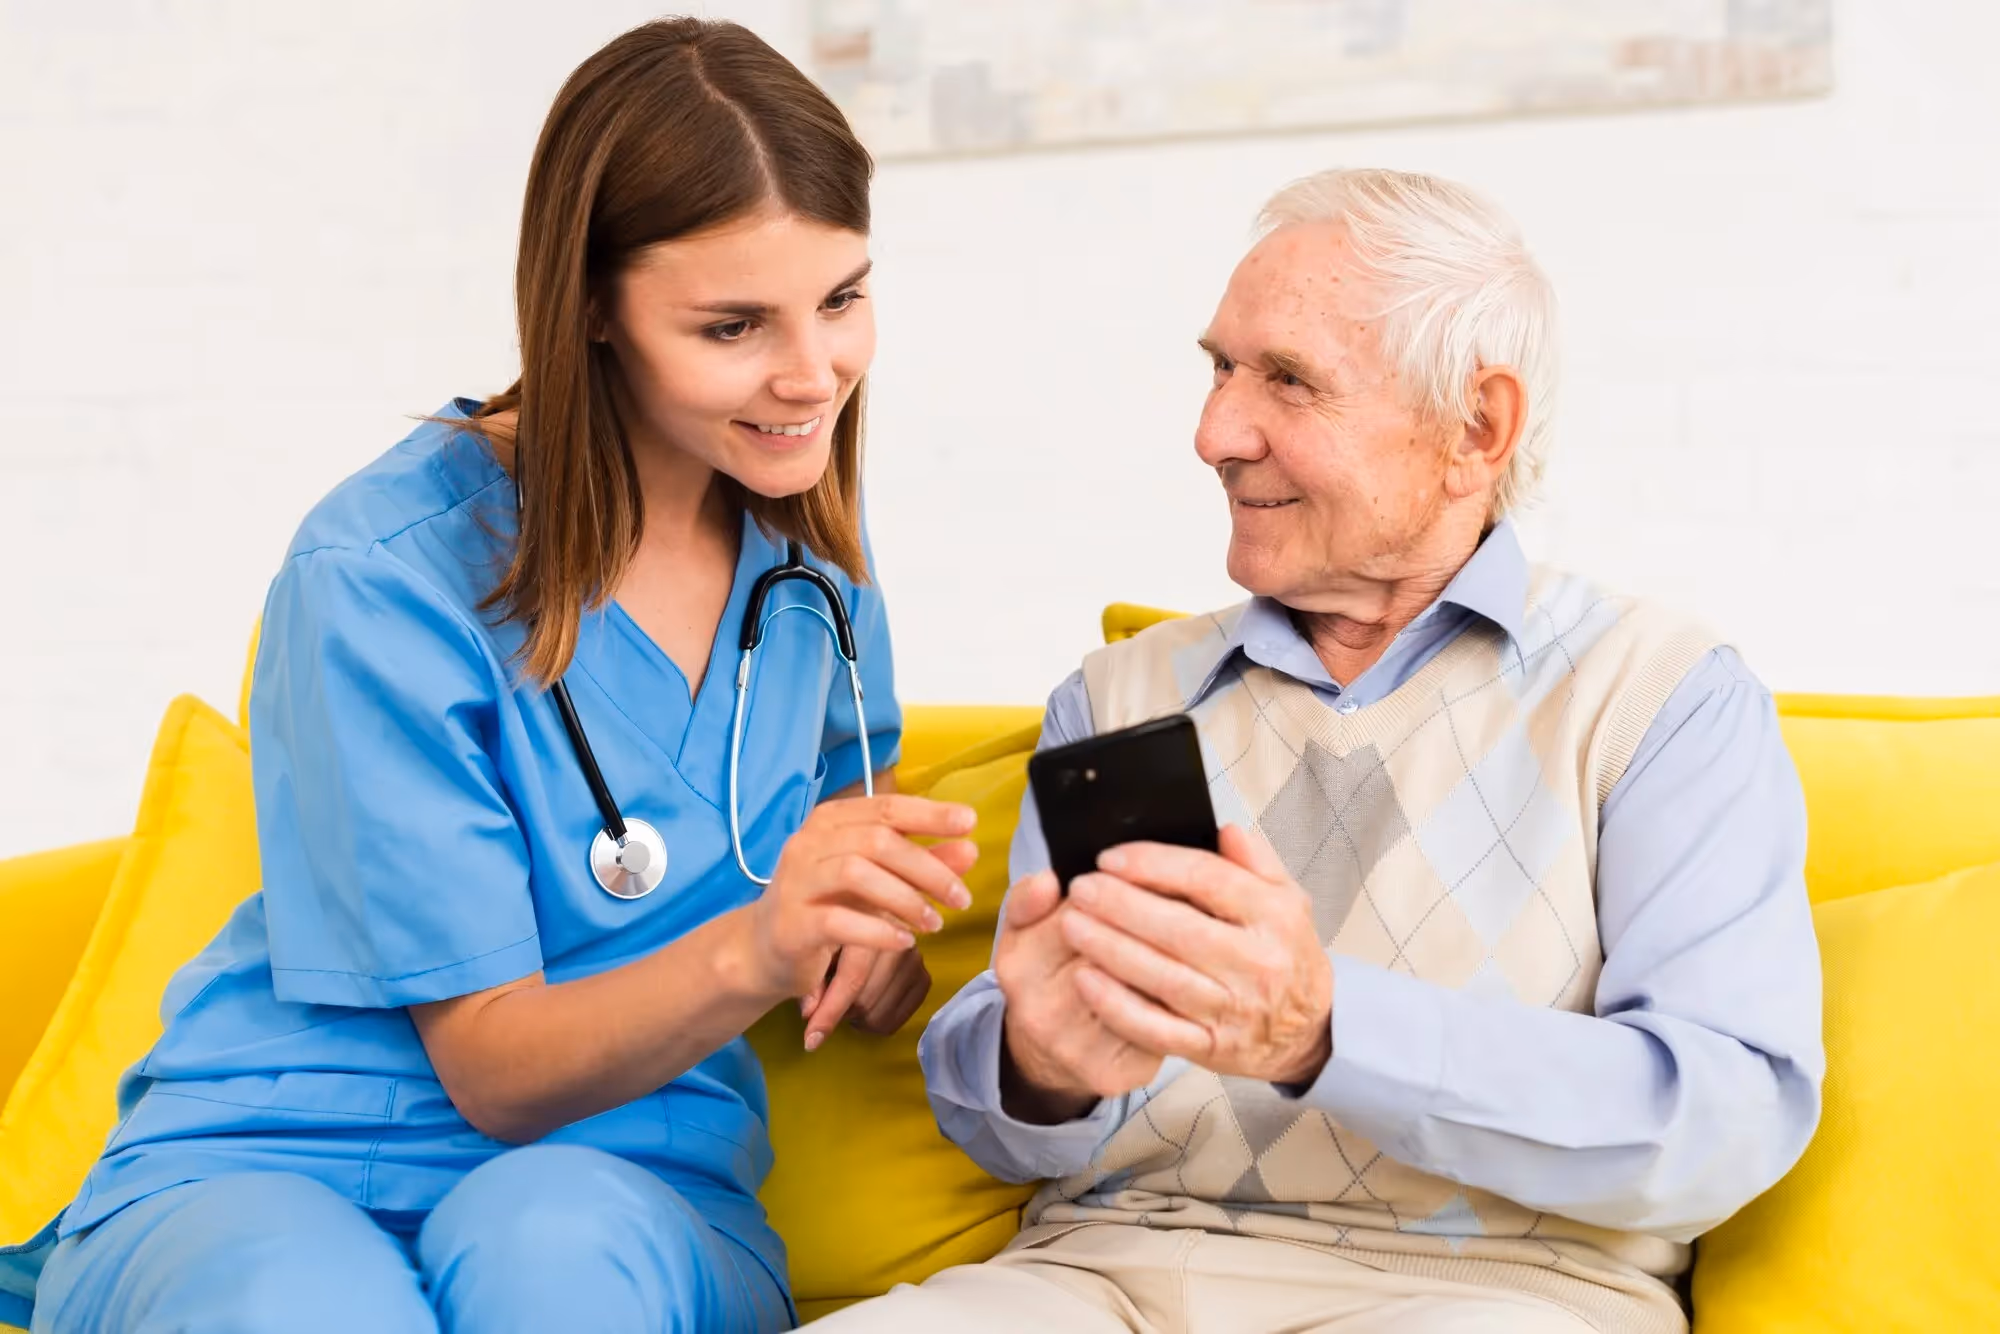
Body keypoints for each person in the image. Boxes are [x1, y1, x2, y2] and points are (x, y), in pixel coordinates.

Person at [9, 18, 978, 1334]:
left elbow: (845, 861)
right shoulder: (381, 572)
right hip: (276, 1157)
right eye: (733, 324)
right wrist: (761, 942)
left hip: (631, 1177)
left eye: (842, 298)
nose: (813, 373)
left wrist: (866, 948)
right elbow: (494, 1069)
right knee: (305, 1308)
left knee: (551, 1261)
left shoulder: (812, 577)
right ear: (592, 307)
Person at [818, 168, 1824, 1333]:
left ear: (1474, 428)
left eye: (1287, 380)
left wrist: (1326, 1026)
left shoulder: (1655, 698)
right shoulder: (1118, 698)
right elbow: (1001, 1123)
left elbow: (1717, 1122)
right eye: (1219, 369)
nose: (1213, 434)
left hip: (1492, 1292)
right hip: (1099, 1276)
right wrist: (1036, 1063)